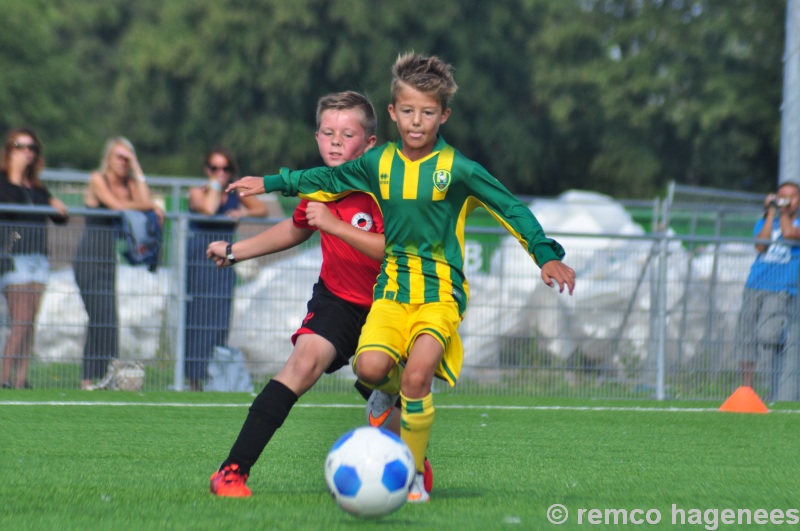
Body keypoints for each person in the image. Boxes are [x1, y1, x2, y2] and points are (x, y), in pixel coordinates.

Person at [228, 52, 576, 503]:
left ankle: (411, 476)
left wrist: (544, 254)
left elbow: (511, 207)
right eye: (408, 111)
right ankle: (385, 400)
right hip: (391, 292)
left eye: (427, 112)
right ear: (393, 113)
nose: (417, 121)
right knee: (369, 368)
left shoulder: (459, 170)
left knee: (416, 378)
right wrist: (272, 182)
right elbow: (322, 178)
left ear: (443, 115)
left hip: (439, 295)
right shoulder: (378, 164)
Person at [209, 91, 411, 497]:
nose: (335, 141)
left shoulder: (388, 187)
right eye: (327, 132)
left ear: (370, 143)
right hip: (336, 300)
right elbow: (296, 229)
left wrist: (336, 227)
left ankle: (407, 468)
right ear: (316, 136)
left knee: (399, 385)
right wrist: (235, 251)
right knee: (301, 365)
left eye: (347, 133)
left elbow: (394, 247)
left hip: (391, 304)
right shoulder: (316, 187)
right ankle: (231, 471)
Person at [74, 137, 164, 390]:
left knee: (108, 317)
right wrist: (149, 206)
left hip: (107, 259)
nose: (123, 162)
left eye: (128, 157)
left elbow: (142, 198)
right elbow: (119, 206)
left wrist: (137, 167)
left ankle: (100, 376)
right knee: (99, 315)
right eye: (120, 157)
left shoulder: (130, 184)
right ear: (109, 158)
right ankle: (90, 378)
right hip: (88, 257)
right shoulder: (97, 179)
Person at [185, 146, 268, 391]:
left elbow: (261, 209)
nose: (221, 173)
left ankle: (215, 374)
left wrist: (240, 209)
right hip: (199, 259)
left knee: (219, 320)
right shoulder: (197, 193)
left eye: (225, 168)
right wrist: (214, 185)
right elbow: (209, 209)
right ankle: (193, 379)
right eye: (215, 168)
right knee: (196, 317)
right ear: (206, 169)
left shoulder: (236, 191)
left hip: (224, 261)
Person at [0, 128, 68, 389]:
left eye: (32, 148)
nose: (27, 152)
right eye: (21, 147)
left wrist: (57, 205)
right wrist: (15, 173)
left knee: (30, 322)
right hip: (14, 258)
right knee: (21, 320)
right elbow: (8, 210)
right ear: (9, 150)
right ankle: (3, 377)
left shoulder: (38, 188)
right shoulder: (4, 182)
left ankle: (20, 379)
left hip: (39, 258)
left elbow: (61, 219)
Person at [735, 181, 800, 398]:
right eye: (782, 196)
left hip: (781, 288)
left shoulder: (797, 223)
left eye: (791, 197)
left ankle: (784, 342)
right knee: (746, 337)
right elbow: (760, 245)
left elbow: (790, 233)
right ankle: (747, 388)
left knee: (767, 334)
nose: (787, 200)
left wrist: (782, 212)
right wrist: (770, 213)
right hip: (755, 284)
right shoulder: (766, 222)